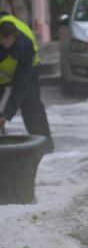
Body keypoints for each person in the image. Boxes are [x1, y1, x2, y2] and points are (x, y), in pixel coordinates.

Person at [0, 14, 53, 151]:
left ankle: (44, 149)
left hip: (26, 71)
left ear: (15, 36)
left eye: (8, 43)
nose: (5, 46)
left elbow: (20, 86)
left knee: (31, 106)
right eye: (2, 42)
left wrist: (6, 115)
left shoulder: (25, 45)